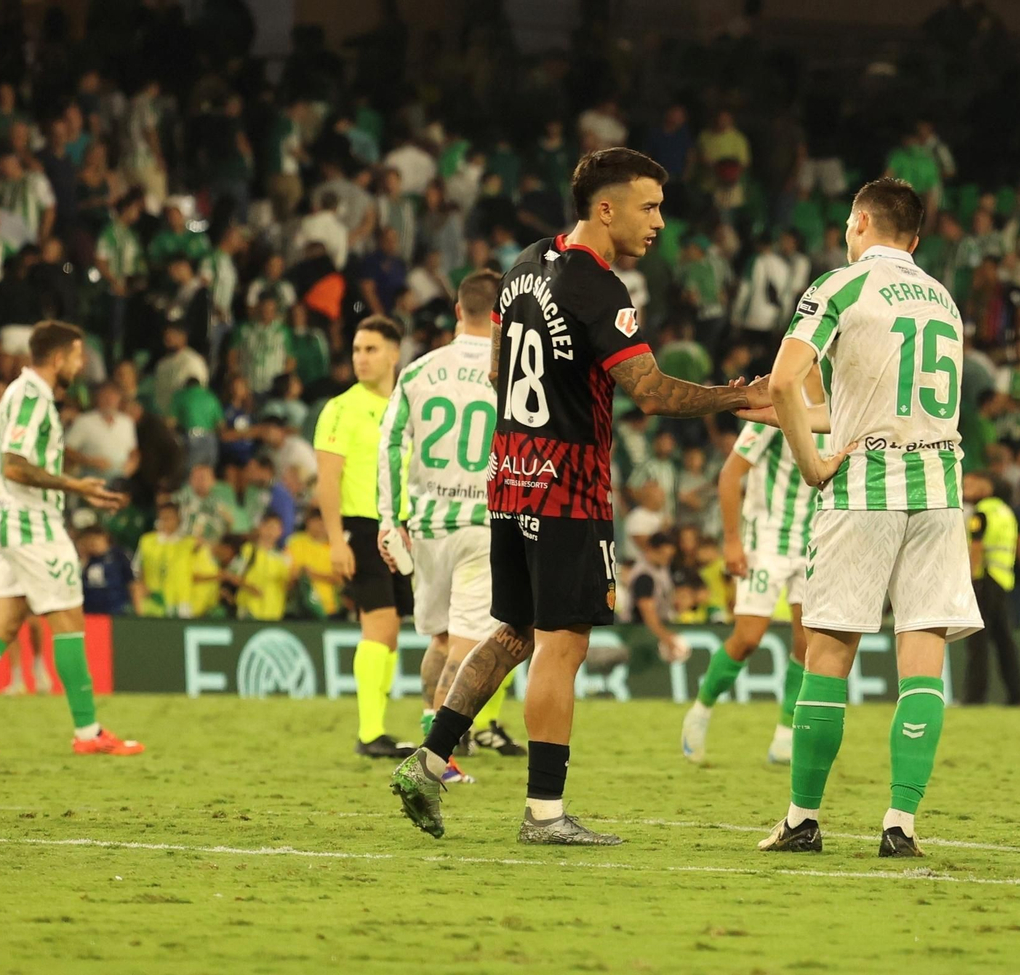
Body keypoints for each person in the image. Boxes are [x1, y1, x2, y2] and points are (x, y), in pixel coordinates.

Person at [391, 148, 769, 845]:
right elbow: (651, 392)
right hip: (568, 489)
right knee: (560, 647)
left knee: (512, 633)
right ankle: (544, 813)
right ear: (607, 208)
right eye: (649, 205)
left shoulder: (524, 264)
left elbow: (505, 366)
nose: (659, 221)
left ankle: (428, 758)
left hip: (510, 476)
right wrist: (739, 394)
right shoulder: (598, 288)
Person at [745, 177, 982, 859]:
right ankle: (901, 825)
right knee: (922, 663)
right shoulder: (943, 300)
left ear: (860, 223)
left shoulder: (840, 286)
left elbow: (787, 379)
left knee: (828, 654)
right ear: (915, 239)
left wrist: (813, 462)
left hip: (863, 489)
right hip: (938, 490)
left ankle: (802, 819)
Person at [377, 270, 521, 783]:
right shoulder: (510, 373)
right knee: (464, 647)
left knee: (439, 643)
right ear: (501, 315)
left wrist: (389, 519)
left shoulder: (418, 372)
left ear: (458, 311)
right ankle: (438, 759)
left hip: (428, 528)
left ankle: (426, 737)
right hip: (483, 526)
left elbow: (390, 443)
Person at [0, 321, 142, 755]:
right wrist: (80, 487)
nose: (82, 364)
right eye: (78, 356)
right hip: (30, 523)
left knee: (2, 625)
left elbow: (32, 454)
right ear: (58, 358)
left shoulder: (28, 397)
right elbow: (15, 465)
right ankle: (88, 733)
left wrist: (77, 466)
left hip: (10, 520)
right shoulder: (31, 397)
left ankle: (88, 732)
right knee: (68, 621)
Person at [680, 411, 828, 766]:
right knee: (747, 638)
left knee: (807, 643)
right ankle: (700, 711)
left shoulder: (840, 405)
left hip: (814, 541)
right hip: (766, 542)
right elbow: (731, 473)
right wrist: (732, 541)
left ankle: (784, 736)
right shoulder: (776, 408)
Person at [315, 315, 414, 759]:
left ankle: (377, 728)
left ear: (395, 354)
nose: (361, 358)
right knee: (378, 624)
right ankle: (369, 732)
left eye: (371, 349)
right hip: (362, 526)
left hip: (403, 529)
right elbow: (327, 481)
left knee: (391, 632)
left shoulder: (407, 405)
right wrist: (336, 540)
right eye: (356, 349)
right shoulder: (340, 408)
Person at [962, 470, 1020, 705]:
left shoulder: (982, 512)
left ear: (987, 486)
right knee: (1003, 641)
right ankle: (1016, 695)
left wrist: (972, 578)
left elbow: (976, 547)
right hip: (1002, 579)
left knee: (977, 641)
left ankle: (974, 697)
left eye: (971, 483)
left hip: (984, 579)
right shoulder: (1006, 511)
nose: (965, 487)